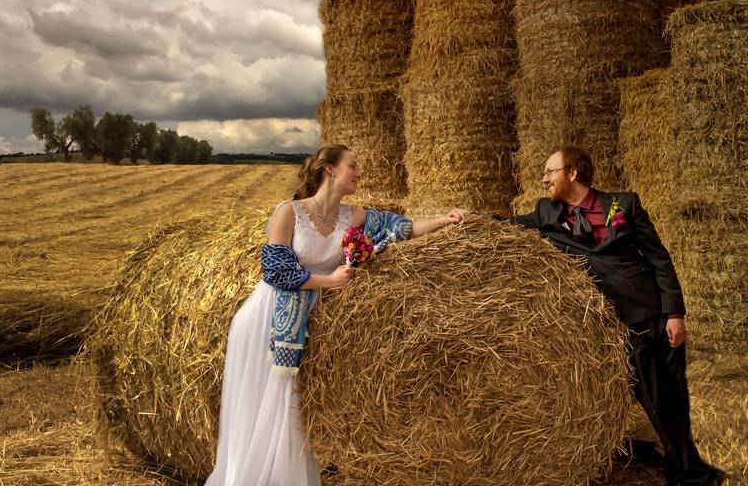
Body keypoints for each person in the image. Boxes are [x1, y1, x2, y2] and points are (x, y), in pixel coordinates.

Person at [205, 143, 467, 486]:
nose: (359, 173)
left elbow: (400, 228)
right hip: (267, 320)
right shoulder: (289, 211)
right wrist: (329, 281)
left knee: (289, 411)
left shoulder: (352, 217)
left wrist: (444, 221)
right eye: (353, 166)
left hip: (306, 319)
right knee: (269, 406)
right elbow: (276, 271)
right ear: (330, 169)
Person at [503, 146, 723, 486]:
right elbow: (512, 226)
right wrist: (465, 219)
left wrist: (675, 314)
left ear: (572, 173)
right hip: (623, 322)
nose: (544, 178)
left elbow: (659, 260)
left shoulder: (623, 205)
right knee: (654, 398)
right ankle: (690, 475)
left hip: (656, 313)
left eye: (550, 171)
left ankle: (684, 469)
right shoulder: (547, 212)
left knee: (676, 396)